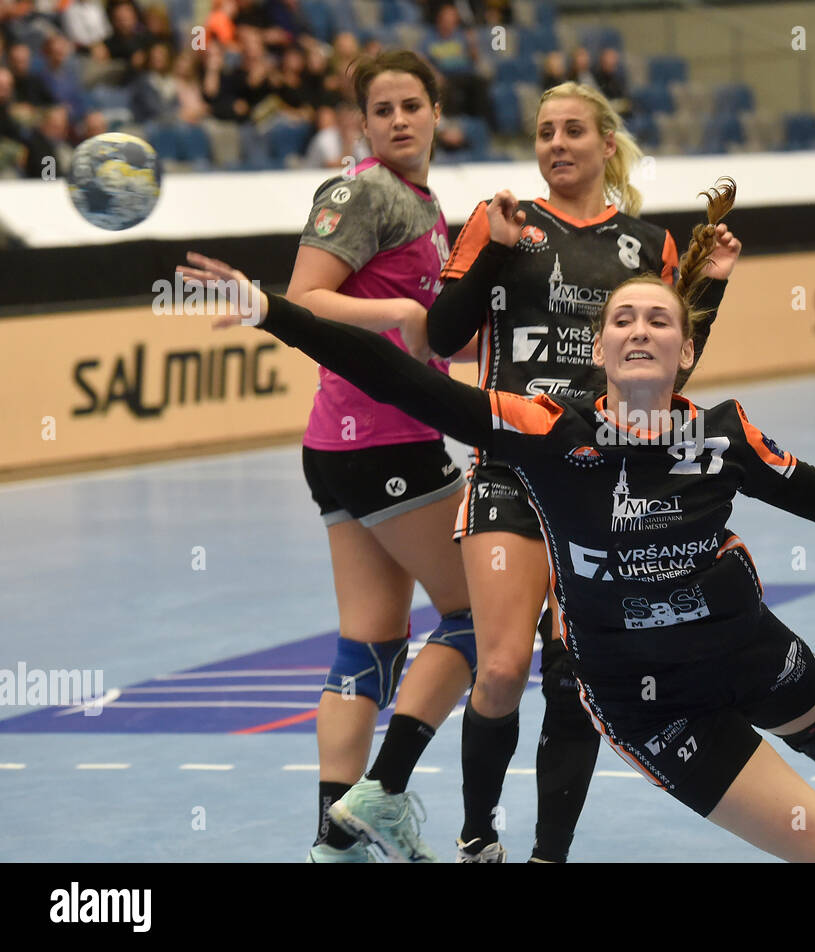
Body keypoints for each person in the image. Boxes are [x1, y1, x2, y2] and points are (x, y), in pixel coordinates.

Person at [178, 207, 815, 864]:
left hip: (746, 646)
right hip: (653, 709)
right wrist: (269, 311)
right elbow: (397, 374)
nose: (641, 329)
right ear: (601, 348)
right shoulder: (543, 430)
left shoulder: (721, 433)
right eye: (625, 319)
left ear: (683, 350)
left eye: (660, 321)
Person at [353, 81, 736, 864]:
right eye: (544, 132)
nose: (557, 144)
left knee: (573, 679)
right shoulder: (505, 225)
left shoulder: (647, 244)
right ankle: (476, 834)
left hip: (601, 483)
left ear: (605, 145)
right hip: (511, 471)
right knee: (498, 667)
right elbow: (439, 339)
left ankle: (547, 856)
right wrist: (489, 245)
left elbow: (669, 362)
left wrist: (714, 288)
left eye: (573, 131)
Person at [277, 49, 478, 863]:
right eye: (383, 108)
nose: (399, 119)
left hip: (343, 446)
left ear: (436, 113)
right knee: (482, 615)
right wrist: (399, 308)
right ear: (363, 123)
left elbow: (425, 342)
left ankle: (336, 843)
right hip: (384, 442)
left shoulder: (424, 203)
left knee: (370, 640)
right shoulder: (362, 192)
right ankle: (382, 795)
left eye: (412, 105)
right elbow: (304, 299)